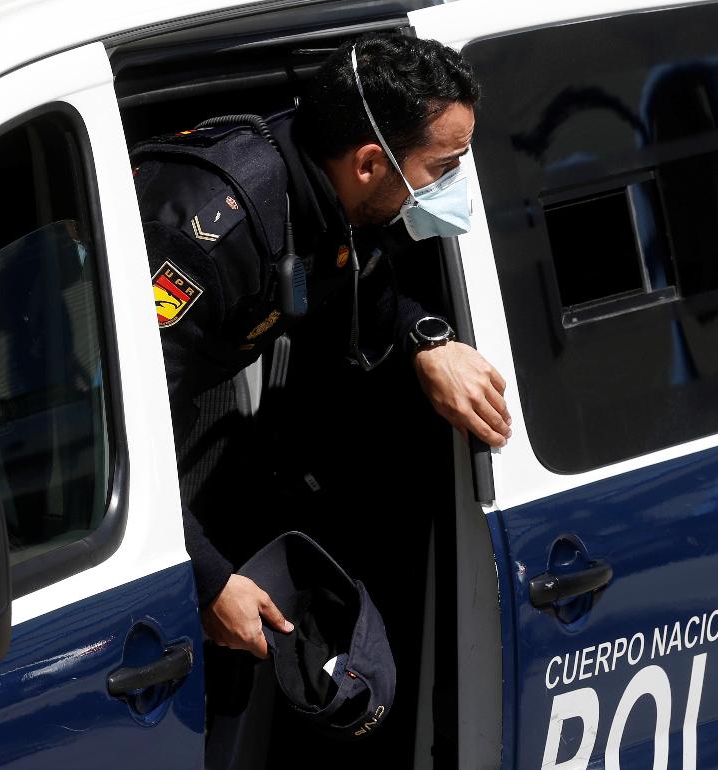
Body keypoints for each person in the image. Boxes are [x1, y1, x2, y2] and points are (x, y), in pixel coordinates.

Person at [134, 33, 509, 662]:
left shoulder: (332, 199)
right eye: (443, 168)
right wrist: (209, 582)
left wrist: (428, 342)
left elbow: (362, 289)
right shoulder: (212, 237)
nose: (454, 186)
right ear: (368, 162)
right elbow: (127, 432)